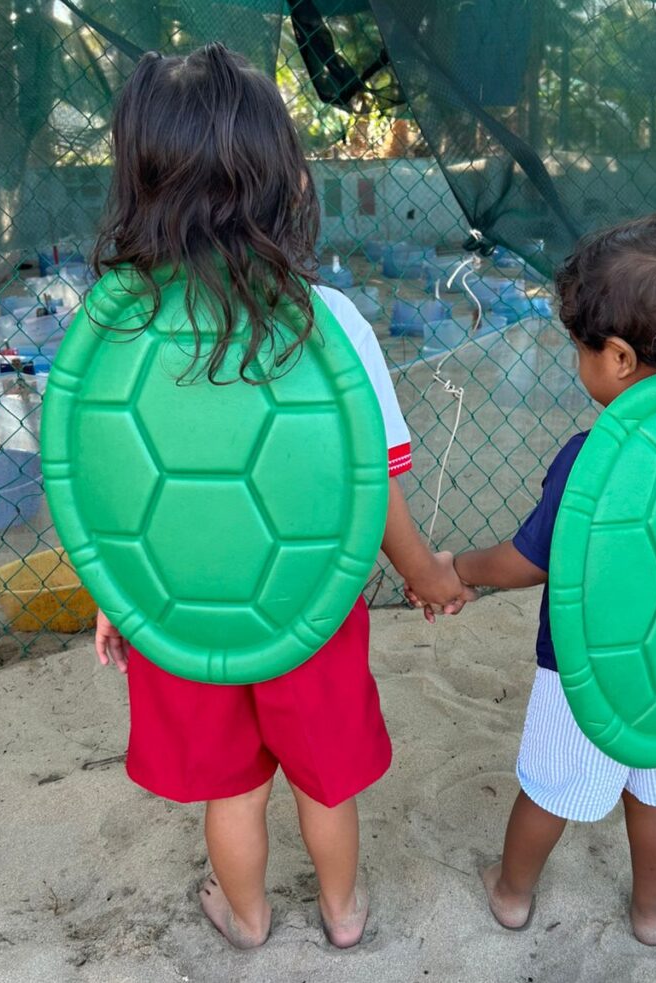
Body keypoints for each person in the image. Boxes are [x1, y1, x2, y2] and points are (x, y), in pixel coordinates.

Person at [90, 44, 472, 951]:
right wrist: (425, 573)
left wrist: (115, 590)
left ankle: (248, 915)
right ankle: (342, 914)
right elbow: (371, 488)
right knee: (324, 778)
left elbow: (101, 485)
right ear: (283, 182)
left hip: (185, 608)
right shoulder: (329, 323)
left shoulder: (116, 330)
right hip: (309, 601)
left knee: (233, 784)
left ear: (139, 182)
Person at [450, 211, 656, 945]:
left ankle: (512, 892)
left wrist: (462, 569)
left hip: (588, 668)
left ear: (616, 357)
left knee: (551, 792)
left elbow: (531, 560)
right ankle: (651, 912)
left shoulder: (595, 458)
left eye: (578, 349)